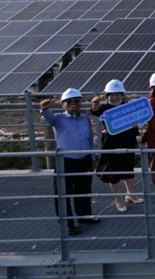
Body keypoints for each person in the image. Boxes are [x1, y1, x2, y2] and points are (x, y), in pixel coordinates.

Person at [40, 88, 98, 236]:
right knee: (63, 193)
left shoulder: (85, 118)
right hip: (65, 161)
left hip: (84, 160)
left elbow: (90, 139)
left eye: (76, 101)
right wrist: (45, 108)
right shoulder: (58, 118)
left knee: (84, 190)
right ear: (63, 104)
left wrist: (93, 158)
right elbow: (47, 118)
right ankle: (68, 224)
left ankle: (84, 216)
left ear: (80, 103)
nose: (73, 104)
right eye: (69, 102)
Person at [91, 79, 144, 211]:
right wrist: (95, 104)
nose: (115, 97)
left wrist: (138, 126)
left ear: (122, 95)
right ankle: (118, 198)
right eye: (112, 95)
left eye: (117, 94)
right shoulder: (105, 108)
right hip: (111, 144)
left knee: (128, 169)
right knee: (113, 172)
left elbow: (137, 121)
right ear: (107, 96)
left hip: (128, 141)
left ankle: (130, 194)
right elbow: (95, 111)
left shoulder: (128, 106)